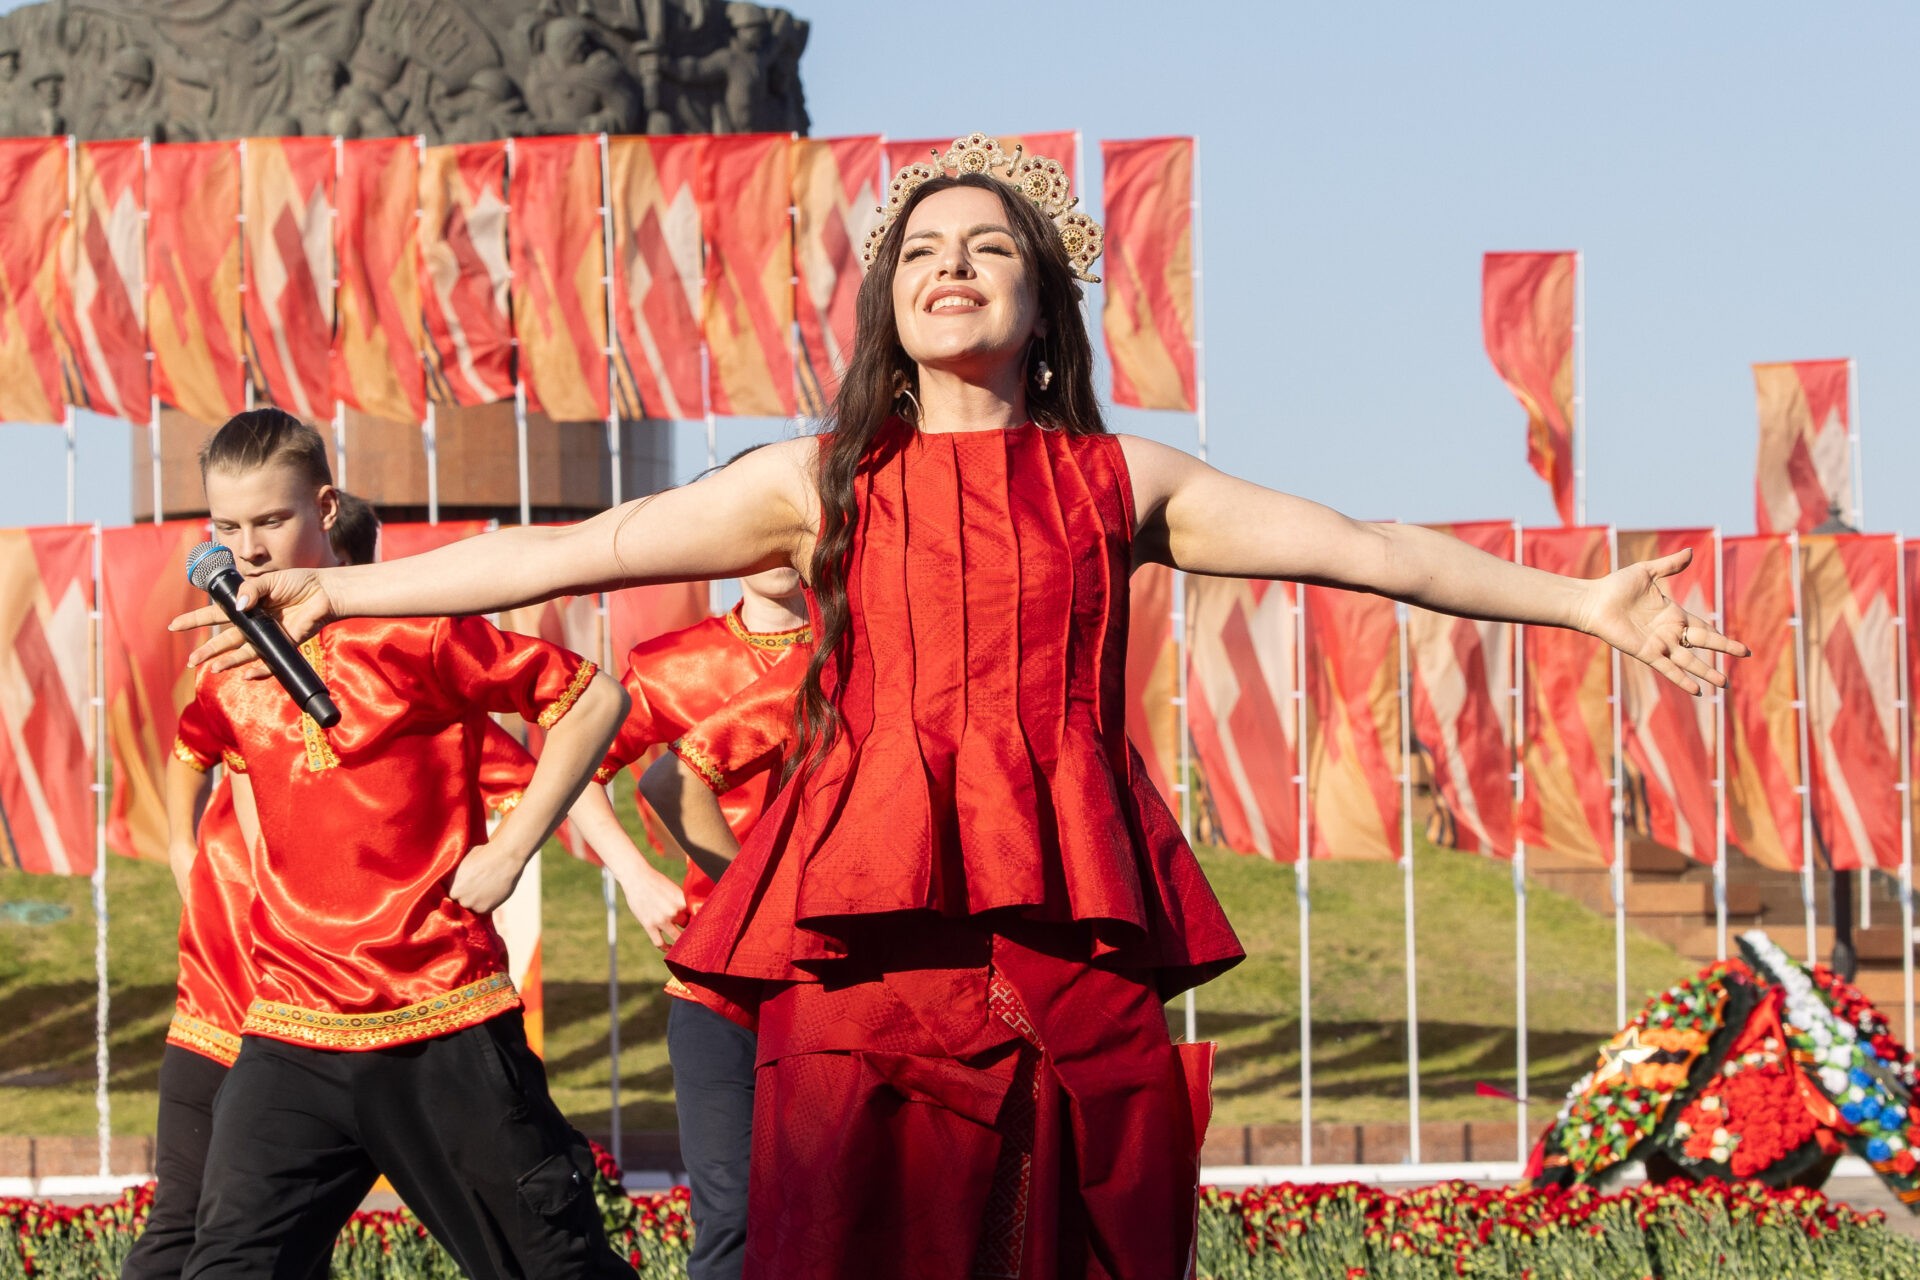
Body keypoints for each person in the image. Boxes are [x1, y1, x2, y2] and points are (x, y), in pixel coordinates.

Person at [177, 135, 1746, 1278]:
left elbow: (1368, 548)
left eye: (987, 249)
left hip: (1070, 920)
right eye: (923, 250)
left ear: (1041, 298)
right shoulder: (819, 481)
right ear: (889, 303)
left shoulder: (1122, 478)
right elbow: (580, 548)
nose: (950, 268)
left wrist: (1586, 604)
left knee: (1078, 1232)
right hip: (868, 934)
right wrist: (345, 594)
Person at [171, 408, 638, 1280]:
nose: (250, 549)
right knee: (226, 1267)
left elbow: (593, 700)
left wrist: (512, 850)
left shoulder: (415, 629)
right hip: (291, 1025)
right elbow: (228, 782)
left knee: (551, 1267)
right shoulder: (227, 669)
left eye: (271, 520)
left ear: (324, 507)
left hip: (439, 1017)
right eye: (227, 528)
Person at [581, 463, 808, 1280]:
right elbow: (575, 770)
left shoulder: (872, 646)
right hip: (718, 982)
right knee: (732, 1220)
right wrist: (635, 876)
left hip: (843, 977)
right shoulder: (670, 664)